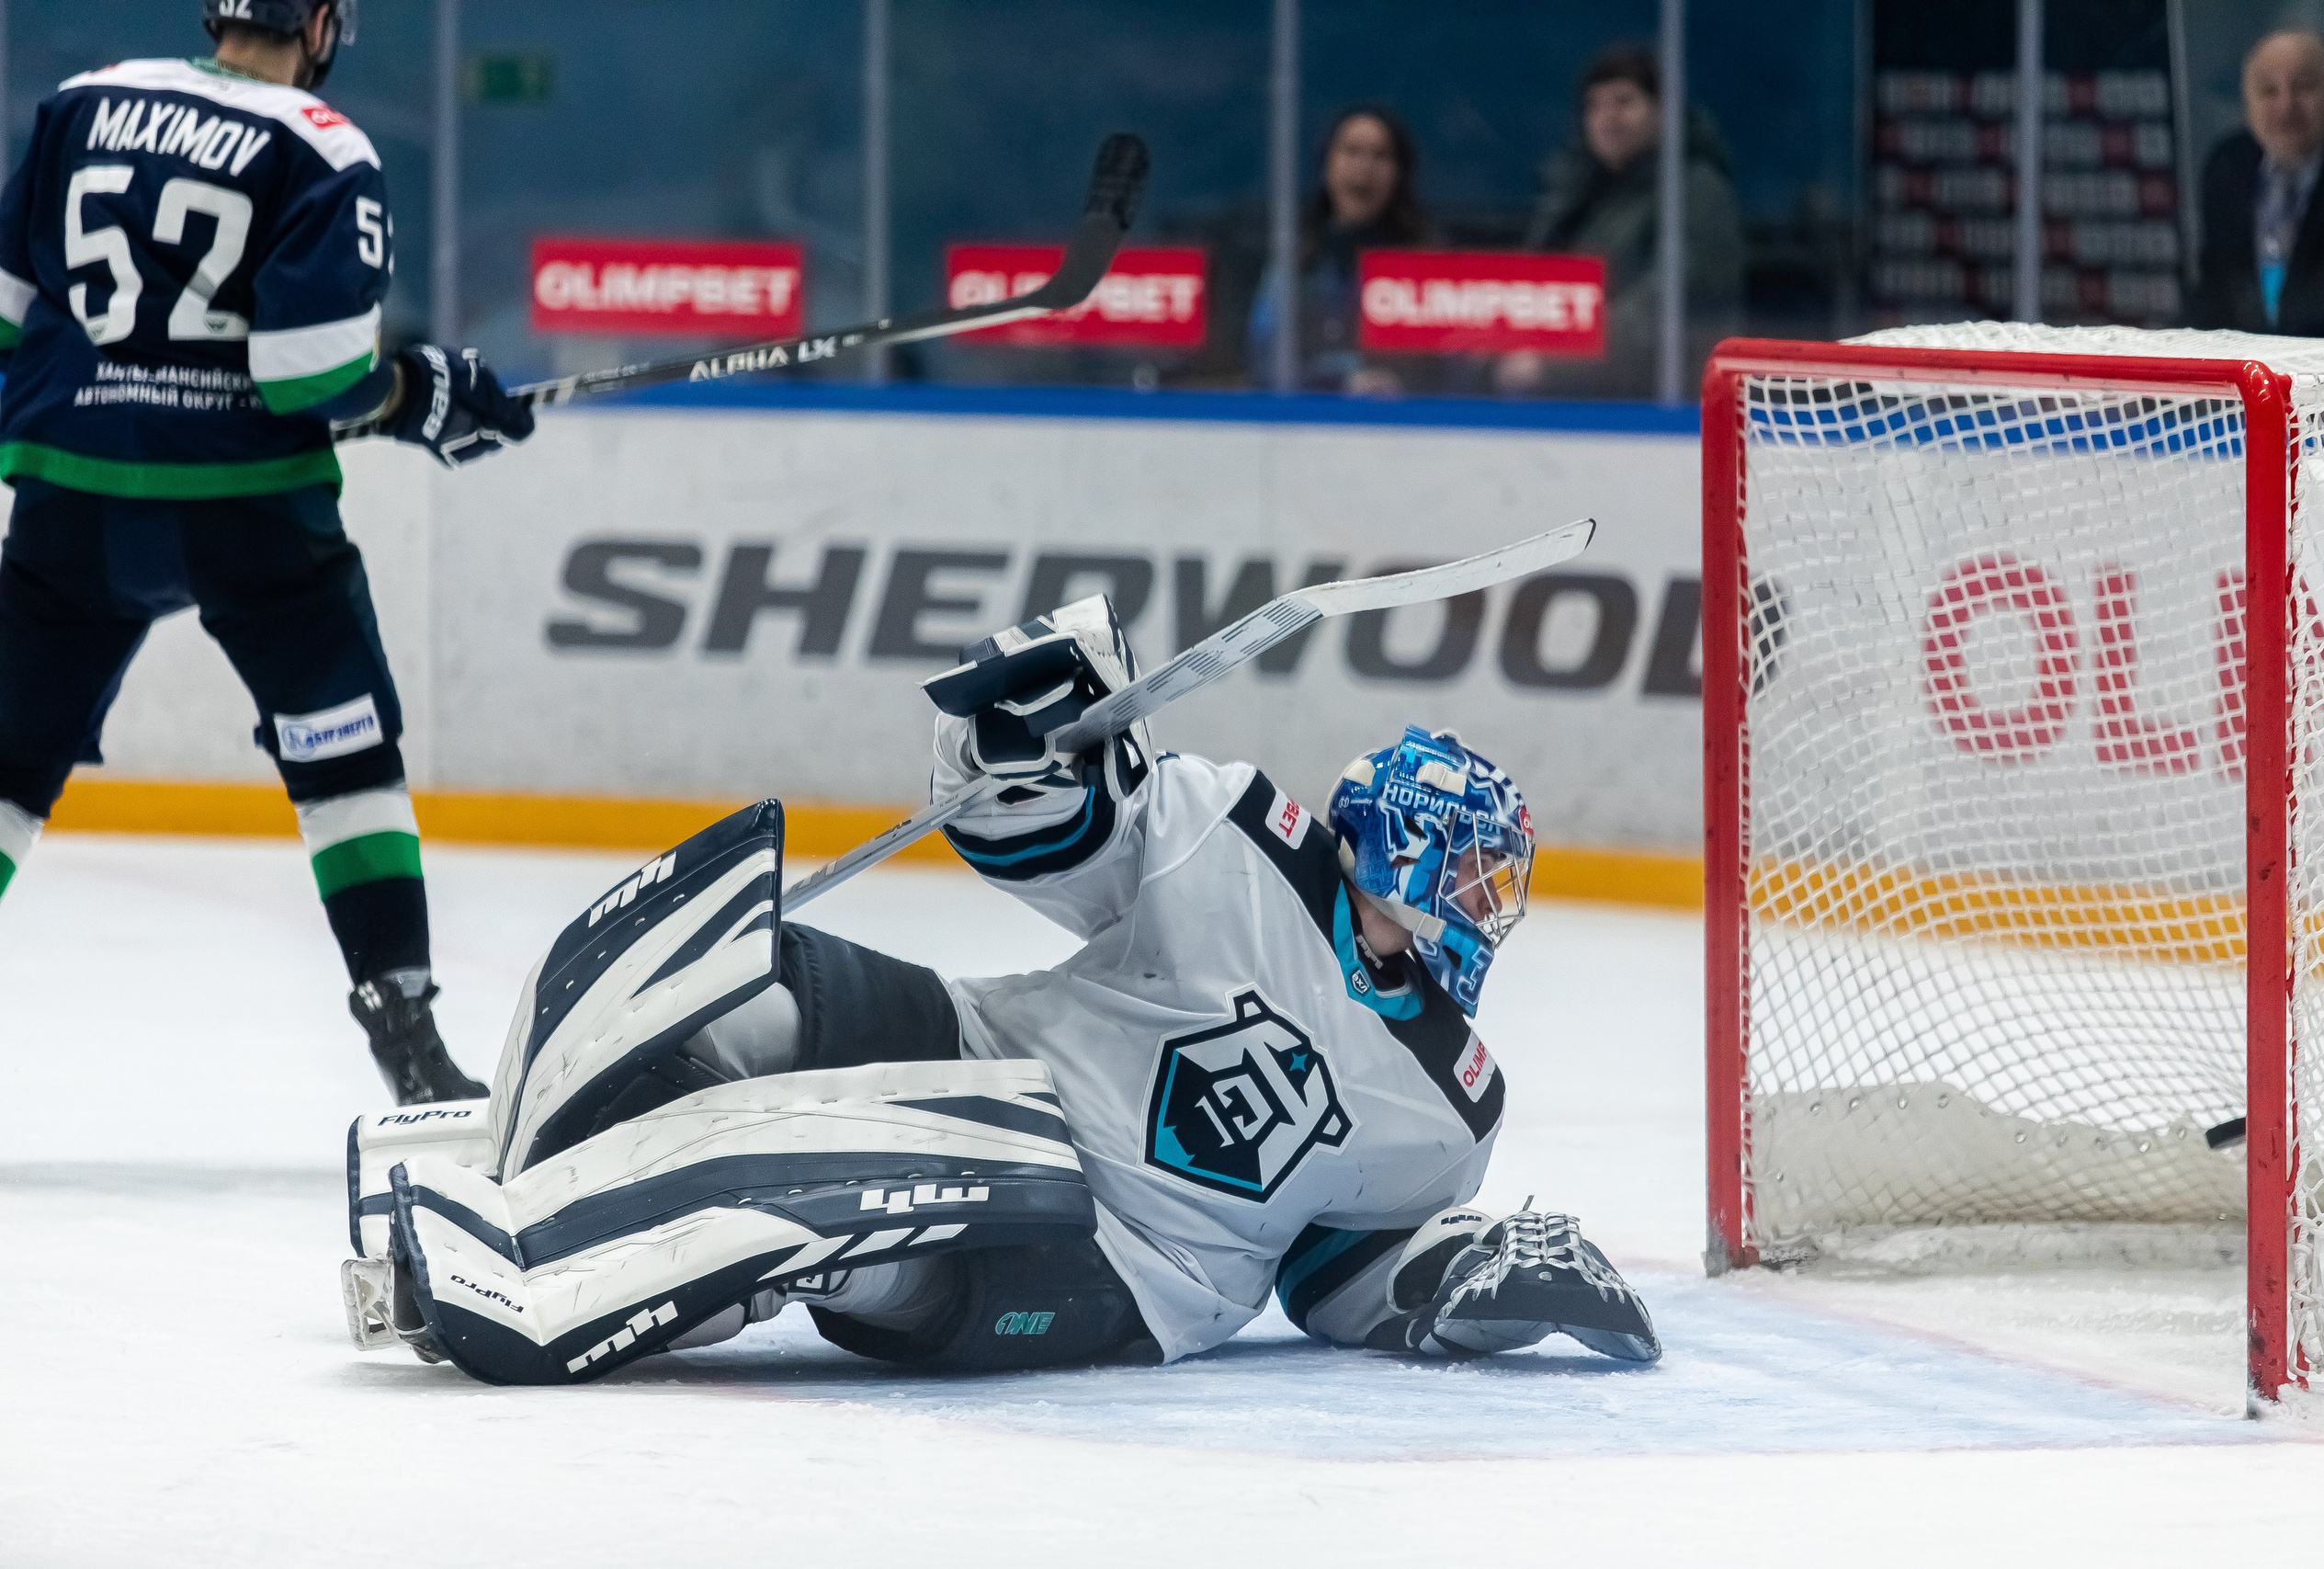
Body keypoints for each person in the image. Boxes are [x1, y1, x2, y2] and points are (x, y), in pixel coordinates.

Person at [340, 597, 1661, 1383]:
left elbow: (1336, 1269)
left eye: (1500, 881)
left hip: (1116, 1261)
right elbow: (1040, 836)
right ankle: (533, 1157)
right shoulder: (1232, 830)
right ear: (1401, 843)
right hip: (989, 1049)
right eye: (1477, 868)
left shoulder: (1452, 1103)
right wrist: (1024, 745)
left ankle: (546, 1272)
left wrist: (1467, 1278)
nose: (1489, 903)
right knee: (748, 983)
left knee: (847, 1225)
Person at [0, 0, 537, 1102]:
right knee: (345, 752)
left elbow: (7, 312)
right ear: (322, 24)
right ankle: (409, 1042)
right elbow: (310, 377)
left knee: (6, 765)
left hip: (73, 496)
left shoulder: (80, 104)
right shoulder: (324, 144)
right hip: (243, 512)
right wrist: (421, 391)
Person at [1496, 43, 1743, 399]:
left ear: (1663, 112)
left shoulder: (1695, 189)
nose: (1607, 116)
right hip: (1573, 396)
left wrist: (1552, 360)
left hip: (1658, 409)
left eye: (1624, 101)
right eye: (1594, 105)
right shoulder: (1577, 193)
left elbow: (1667, 304)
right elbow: (1536, 288)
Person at [1251, 105, 1432, 395]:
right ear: (1327, 165)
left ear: (1399, 174)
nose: (1365, 167)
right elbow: (1265, 354)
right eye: (1352, 151)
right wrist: (1336, 381)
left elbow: (1449, 357)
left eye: (1380, 155)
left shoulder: (1423, 262)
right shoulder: (1295, 259)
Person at [2189, 28, 2324, 336]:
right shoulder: (2227, 165)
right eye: (2268, 91)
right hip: (2244, 366)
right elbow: (2214, 289)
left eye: (2304, 87)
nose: (2286, 106)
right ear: (2246, 101)